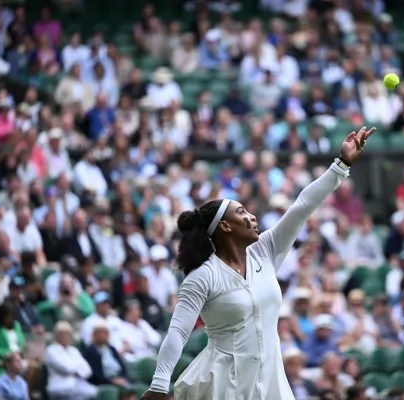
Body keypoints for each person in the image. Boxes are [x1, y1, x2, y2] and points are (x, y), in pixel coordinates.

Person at [142, 126, 376, 400]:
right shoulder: (203, 277)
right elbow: (178, 331)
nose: (252, 216)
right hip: (222, 385)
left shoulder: (265, 251)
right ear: (225, 227)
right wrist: (159, 384)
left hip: (271, 380)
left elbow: (302, 206)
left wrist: (341, 164)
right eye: (241, 212)